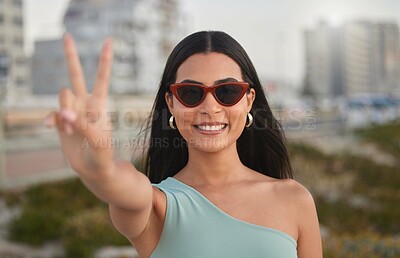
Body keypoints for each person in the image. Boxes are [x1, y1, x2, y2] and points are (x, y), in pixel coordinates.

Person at [45, 30, 323, 258]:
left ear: (248, 99)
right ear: (171, 103)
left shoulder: (294, 200)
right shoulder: (157, 207)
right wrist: (101, 170)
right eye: (191, 93)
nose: (210, 107)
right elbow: (125, 188)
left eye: (227, 91)